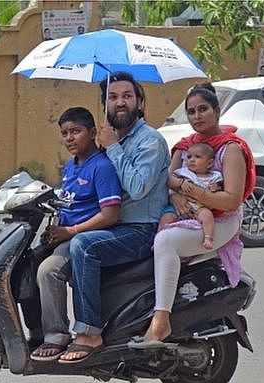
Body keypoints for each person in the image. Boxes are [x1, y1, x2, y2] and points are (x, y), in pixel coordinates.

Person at [129, 82, 256, 348]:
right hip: (183, 212)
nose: (197, 116)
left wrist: (192, 191)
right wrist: (176, 195)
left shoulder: (230, 148)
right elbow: (166, 180)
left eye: (203, 110)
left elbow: (231, 199)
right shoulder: (185, 146)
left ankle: (160, 322)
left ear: (217, 111)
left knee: (165, 242)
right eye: (191, 111)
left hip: (219, 218)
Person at [58, 71, 170, 363]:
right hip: (117, 226)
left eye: (127, 96)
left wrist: (112, 148)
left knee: (83, 245)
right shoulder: (112, 138)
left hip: (140, 229)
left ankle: (89, 332)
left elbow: (137, 187)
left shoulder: (149, 141)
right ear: (104, 104)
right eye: (113, 97)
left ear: (139, 101)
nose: (120, 102)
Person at [30, 107, 122, 361]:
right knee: (26, 265)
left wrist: (69, 231)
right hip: (65, 235)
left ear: (93, 133)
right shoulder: (70, 167)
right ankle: (36, 330)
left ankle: (56, 335)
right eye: (64, 133)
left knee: (49, 271)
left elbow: (110, 214)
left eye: (76, 131)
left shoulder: (101, 167)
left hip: (85, 239)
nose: (70, 138)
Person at [170, 142, 223, 249]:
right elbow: (170, 180)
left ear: (209, 163)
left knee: (207, 216)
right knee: (167, 216)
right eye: (189, 157)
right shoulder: (184, 172)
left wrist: (216, 187)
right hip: (181, 205)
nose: (191, 160)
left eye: (197, 157)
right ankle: (158, 236)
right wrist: (181, 183)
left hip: (200, 207)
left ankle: (208, 238)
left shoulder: (214, 176)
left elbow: (221, 186)